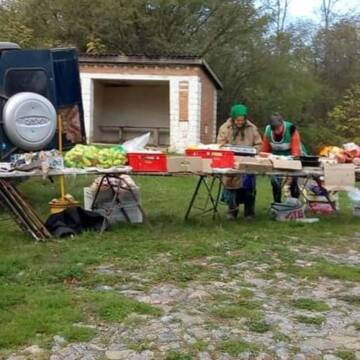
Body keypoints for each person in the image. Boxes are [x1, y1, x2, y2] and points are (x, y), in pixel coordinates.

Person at [217, 104, 262, 219]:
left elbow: (259, 144)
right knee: (232, 186)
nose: (239, 122)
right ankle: (232, 211)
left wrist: (253, 151)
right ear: (233, 118)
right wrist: (228, 150)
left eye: (242, 120)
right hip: (231, 161)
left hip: (248, 162)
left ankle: (249, 212)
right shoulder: (225, 128)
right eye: (237, 120)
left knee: (249, 186)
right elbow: (219, 145)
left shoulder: (252, 128)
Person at [262, 113, 304, 203]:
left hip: (292, 158)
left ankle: (294, 203)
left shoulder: (291, 129)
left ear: (282, 124)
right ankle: (277, 203)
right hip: (276, 160)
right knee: (275, 182)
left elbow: (296, 151)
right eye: (274, 129)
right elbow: (265, 151)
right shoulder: (268, 131)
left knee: (294, 181)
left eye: (278, 128)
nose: (277, 131)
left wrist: (290, 173)